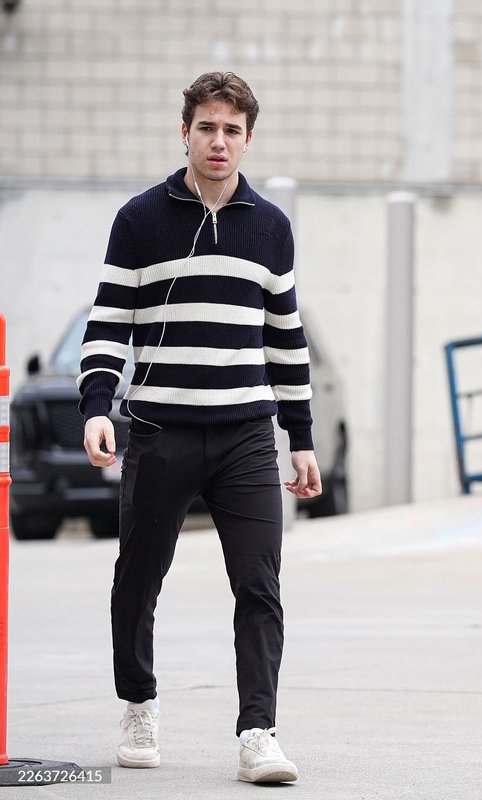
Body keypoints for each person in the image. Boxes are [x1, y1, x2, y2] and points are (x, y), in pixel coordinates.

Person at [78, 71, 321, 785]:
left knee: (259, 584)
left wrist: (299, 438)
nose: (219, 141)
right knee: (138, 578)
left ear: (249, 138)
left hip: (247, 433)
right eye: (207, 127)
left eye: (232, 130)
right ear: (184, 132)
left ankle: (258, 733)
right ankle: (138, 704)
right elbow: (108, 322)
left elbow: (286, 339)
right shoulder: (139, 220)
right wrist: (97, 405)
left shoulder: (270, 229)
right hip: (160, 432)